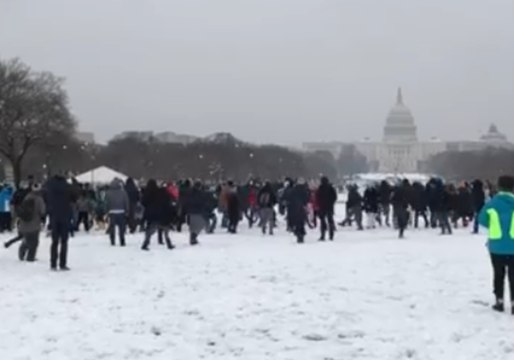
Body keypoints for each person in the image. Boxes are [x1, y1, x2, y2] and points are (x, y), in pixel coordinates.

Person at [478, 175, 514, 314]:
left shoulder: (491, 204)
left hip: (496, 246)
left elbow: (482, 221)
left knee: (498, 274)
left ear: (499, 187)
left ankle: (499, 301)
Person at [46, 174, 73, 271]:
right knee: (64, 241)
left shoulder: (49, 186)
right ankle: (63, 263)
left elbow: (46, 199)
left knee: (54, 242)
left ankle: (53, 263)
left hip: (54, 216)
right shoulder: (67, 186)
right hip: (65, 215)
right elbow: (74, 197)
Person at [17, 184, 46, 262]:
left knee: (27, 239)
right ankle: (30, 257)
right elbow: (42, 211)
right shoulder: (39, 199)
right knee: (34, 241)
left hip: (24, 223)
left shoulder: (27, 197)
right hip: (34, 224)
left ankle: (22, 250)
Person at [106, 178, 129, 247]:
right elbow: (126, 202)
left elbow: (107, 203)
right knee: (121, 227)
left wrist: (107, 211)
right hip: (121, 211)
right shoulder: (123, 192)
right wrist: (127, 210)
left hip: (112, 211)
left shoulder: (108, 193)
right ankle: (122, 241)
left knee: (112, 227)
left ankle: (112, 241)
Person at [183, 180, 208, 246]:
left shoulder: (189, 192)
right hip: (197, 211)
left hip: (190, 211)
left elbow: (186, 201)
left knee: (193, 226)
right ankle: (193, 238)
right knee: (200, 224)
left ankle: (192, 238)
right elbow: (201, 201)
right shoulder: (200, 193)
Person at [316, 176, 337, 240]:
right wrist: (331, 203)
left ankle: (323, 235)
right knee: (330, 221)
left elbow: (317, 198)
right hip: (329, 207)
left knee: (322, 222)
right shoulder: (331, 188)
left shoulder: (320, 188)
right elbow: (335, 197)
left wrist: (319, 205)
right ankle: (331, 235)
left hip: (322, 207)